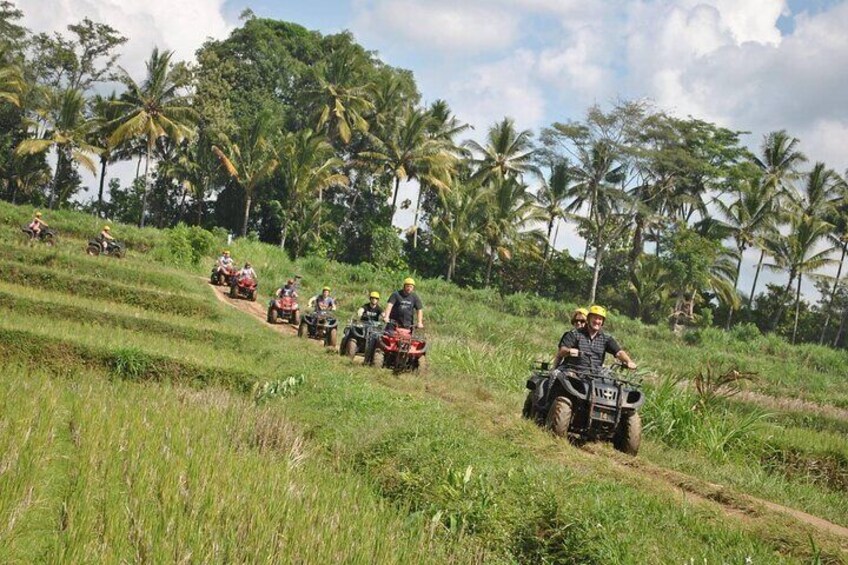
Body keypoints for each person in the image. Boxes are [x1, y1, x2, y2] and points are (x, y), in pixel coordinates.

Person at [555, 305, 637, 373]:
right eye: (594, 318)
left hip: (594, 375)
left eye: (600, 319)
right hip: (572, 371)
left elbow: (619, 352)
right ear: (588, 319)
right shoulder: (574, 334)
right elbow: (562, 352)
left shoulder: (606, 338)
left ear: (603, 322)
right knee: (555, 378)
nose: (597, 321)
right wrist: (570, 351)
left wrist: (628, 361)